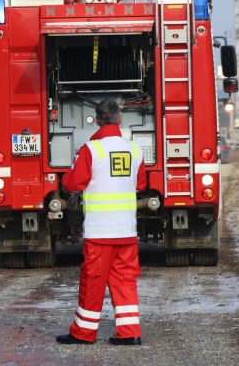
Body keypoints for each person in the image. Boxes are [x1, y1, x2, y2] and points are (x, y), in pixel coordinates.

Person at [56, 98, 147, 346]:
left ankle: (83, 333)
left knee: (93, 281)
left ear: (97, 120)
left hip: (100, 233)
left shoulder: (91, 150)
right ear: (120, 120)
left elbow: (73, 184)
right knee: (125, 281)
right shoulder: (135, 150)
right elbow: (141, 185)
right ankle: (130, 334)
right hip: (126, 232)